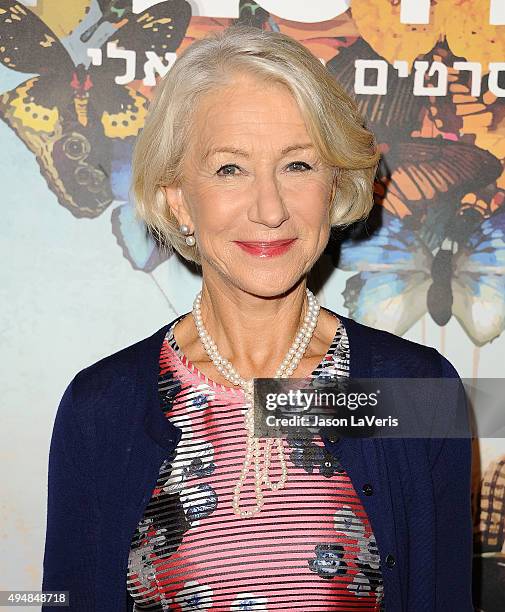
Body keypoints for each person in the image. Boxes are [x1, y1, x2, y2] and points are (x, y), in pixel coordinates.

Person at [41, 25, 473, 611]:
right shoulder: (101, 407)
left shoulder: (417, 391)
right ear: (176, 197)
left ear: (335, 185)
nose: (270, 209)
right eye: (229, 169)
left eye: (298, 165)